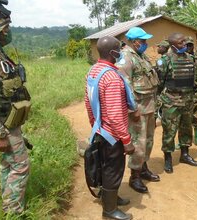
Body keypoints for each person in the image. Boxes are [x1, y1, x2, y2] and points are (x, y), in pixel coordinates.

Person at [85, 35, 137, 220]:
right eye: (119, 48)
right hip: (112, 134)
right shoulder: (112, 77)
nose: (122, 51)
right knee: (113, 170)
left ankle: (111, 199)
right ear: (113, 52)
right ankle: (109, 211)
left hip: (100, 130)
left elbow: (88, 102)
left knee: (105, 166)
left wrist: (95, 125)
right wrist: (127, 140)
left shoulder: (94, 71)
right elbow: (115, 115)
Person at [0, 6, 31, 215]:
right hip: (4, 125)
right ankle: (14, 212)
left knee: (7, 166)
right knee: (21, 167)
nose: (8, 31)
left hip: (10, 121)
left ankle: (7, 207)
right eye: (5, 28)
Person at [116, 27, 160, 193]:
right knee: (138, 143)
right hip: (138, 108)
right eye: (142, 41)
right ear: (134, 42)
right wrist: (132, 109)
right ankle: (134, 176)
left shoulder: (141, 56)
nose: (145, 44)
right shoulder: (125, 57)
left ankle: (144, 168)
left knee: (148, 140)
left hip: (149, 105)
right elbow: (124, 86)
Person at [157, 32, 197, 173]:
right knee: (169, 131)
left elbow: (194, 80)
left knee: (186, 128)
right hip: (171, 102)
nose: (184, 45)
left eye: (185, 42)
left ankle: (185, 154)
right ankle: (168, 158)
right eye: (181, 43)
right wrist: (161, 102)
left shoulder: (191, 58)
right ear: (173, 45)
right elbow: (159, 84)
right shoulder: (165, 61)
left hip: (187, 101)